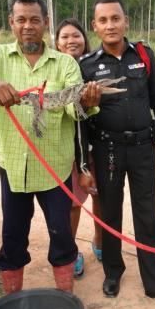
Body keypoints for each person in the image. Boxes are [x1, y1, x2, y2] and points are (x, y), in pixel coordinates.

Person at [0, 0, 100, 294]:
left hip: (55, 168)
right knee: (14, 235)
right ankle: (12, 297)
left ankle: (65, 295)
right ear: (12, 22)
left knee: (61, 235)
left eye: (35, 19)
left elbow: (74, 108)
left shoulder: (64, 64)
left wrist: (87, 100)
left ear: (46, 23)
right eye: (21, 19)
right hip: (14, 168)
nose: (28, 25)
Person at [79, 0, 155, 309]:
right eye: (103, 20)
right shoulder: (86, 66)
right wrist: (84, 163)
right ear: (95, 26)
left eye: (116, 18)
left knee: (147, 215)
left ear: (126, 21)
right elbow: (80, 120)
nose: (110, 25)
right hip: (107, 150)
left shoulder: (144, 56)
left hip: (142, 148)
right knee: (109, 212)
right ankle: (113, 272)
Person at [55, 18, 103, 278]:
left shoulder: (95, 66)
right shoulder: (53, 71)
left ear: (85, 39)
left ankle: (100, 241)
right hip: (69, 146)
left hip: (99, 143)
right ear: (56, 43)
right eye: (65, 37)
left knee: (100, 196)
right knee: (73, 201)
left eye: (76, 36)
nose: (71, 41)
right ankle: (71, 250)